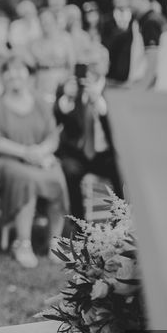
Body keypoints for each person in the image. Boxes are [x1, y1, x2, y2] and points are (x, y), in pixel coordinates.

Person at [0, 57, 68, 268]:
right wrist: (25, 152)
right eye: (9, 72)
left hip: (38, 158)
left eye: (19, 70)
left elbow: (52, 136)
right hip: (6, 160)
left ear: (28, 75)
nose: (15, 76)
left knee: (56, 176)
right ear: (3, 77)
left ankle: (55, 242)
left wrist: (40, 152)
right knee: (25, 179)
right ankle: (23, 243)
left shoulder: (39, 102)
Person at [53, 69, 121, 222]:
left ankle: (122, 224)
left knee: (121, 170)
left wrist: (97, 100)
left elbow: (116, 127)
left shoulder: (113, 89)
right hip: (76, 153)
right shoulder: (68, 88)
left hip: (105, 154)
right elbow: (56, 119)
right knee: (70, 172)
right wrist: (67, 98)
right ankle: (80, 227)